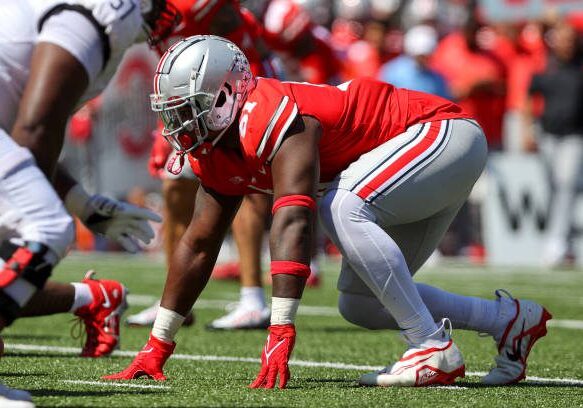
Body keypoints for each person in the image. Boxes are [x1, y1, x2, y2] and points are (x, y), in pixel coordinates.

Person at [105, 35, 551, 388]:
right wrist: (157, 345)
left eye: (189, 107)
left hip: (443, 133)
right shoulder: (216, 147)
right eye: (174, 110)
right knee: (362, 304)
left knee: (339, 204)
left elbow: (294, 216)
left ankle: (431, 347)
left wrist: (280, 330)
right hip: (421, 161)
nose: (178, 122)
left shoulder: (269, 114)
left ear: (224, 95)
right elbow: (199, 244)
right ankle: (509, 321)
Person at [0, 0, 179, 404]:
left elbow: (21, 132)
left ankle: (93, 297)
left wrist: (82, 203)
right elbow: (34, 128)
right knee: (48, 229)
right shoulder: (108, 10)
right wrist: (26, 228)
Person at [128, 0, 285, 330]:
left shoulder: (196, 6)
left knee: (247, 188)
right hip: (191, 95)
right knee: (175, 189)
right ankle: (175, 303)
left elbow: (239, 37)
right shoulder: (138, 18)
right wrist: (163, 130)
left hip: (239, 85)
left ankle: (252, 299)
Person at [523, 21, 583, 267]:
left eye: (570, 40)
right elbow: (530, 94)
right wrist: (527, 129)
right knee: (553, 189)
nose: (566, 44)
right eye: (562, 39)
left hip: (575, 135)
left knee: (566, 185)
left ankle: (556, 242)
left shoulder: (580, 66)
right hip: (548, 135)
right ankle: (565, 243)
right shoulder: (545, 66)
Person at [378, 25, 451, 99]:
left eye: (426, 56)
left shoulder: (437, 78)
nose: (423, 59)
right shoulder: (392, 71)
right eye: (420, 56)